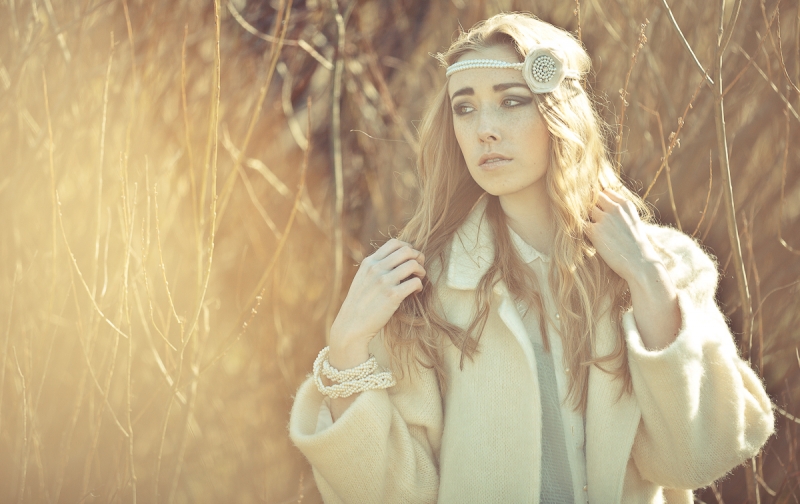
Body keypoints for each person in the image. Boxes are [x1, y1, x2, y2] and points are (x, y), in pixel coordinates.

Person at [288, 12, 774, 503]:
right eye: (465, 108)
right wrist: (346, 348)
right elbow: (395, 494)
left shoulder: (665, 265)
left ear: (559, 113)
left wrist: (647, 281)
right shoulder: (426, 287)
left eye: (511, 101)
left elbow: (697, 456)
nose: (485, 130)